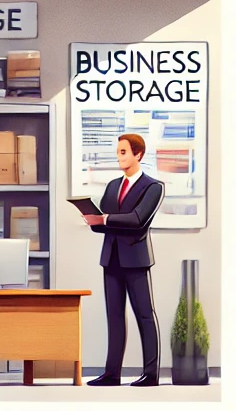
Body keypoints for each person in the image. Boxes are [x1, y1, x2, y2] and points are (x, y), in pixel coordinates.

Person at [83, 133, 164, 387]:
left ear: (138, 154)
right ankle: (112, 374)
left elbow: (137, 219)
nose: (119, 157)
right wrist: (93, 219)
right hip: (112, 259)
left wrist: (105, 219)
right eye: (118, 152)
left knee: (144, 315)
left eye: (123, 152)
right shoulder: (112, 186)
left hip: (136, 260)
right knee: (114, 317)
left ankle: (151, 374)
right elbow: (102, 223)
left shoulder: (153, 187)